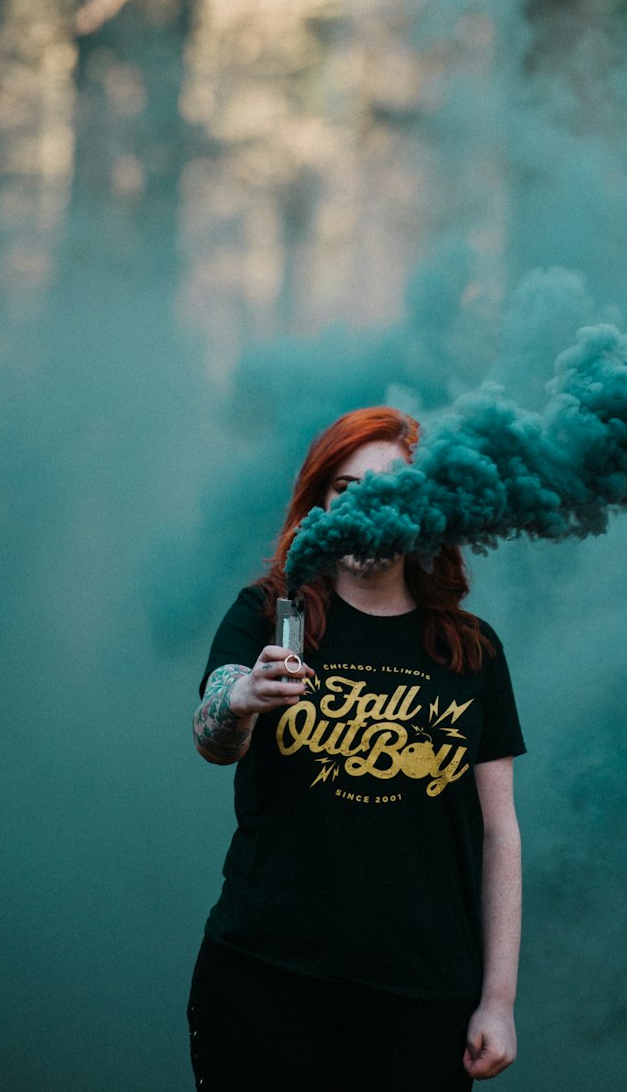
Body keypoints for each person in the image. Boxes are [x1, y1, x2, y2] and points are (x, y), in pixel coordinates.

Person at [188, 405, 526, 1091]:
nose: (368, 504)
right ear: (318, 501)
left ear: (426, 505)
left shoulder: (471, 648)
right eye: (346, 488)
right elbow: (212, 732)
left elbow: (500, 834)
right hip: (266, 978)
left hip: (422, 993)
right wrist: (245, 697)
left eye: (391, 486)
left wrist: (499, 998)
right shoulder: (268, 614)